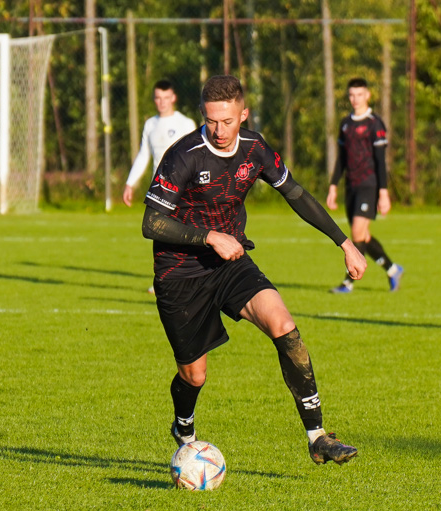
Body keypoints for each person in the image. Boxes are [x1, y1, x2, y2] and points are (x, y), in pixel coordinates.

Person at [142, 75, 366, 466]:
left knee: (284, 325)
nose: (219, 130)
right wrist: (209, 236)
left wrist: (344, 242)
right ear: (203, 115)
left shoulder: (255, 148)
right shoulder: (184, 155)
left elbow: (295, 193)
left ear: (243, 114)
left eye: (228, 121)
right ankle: (184, 426)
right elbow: (152, 223)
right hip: (179, 273)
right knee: (195, 376)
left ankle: (317, 436)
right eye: (212, 120)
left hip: (230, 264)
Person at [326, 77, 403, 294]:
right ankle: (392, 269)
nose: (355, 99)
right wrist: (333, 185)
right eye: (351, 95)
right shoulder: (346, 124)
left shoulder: (374, 123)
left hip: (369, 185)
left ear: (368, 95)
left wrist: (384, 193)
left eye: (359, 94)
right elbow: (341, 158)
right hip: (351, 187)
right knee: (363, 236)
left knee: (358, 233)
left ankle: (347, 282)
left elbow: (380, 161)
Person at [123, 80, 196, 207]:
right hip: (158, 190)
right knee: (156, 226)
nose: (162, 102)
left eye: (166, 98)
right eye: (158, 98)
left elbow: (195, 158)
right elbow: (143, 156)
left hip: (183, 191)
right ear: (154, 99)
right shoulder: (150, 124)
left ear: (173, 98)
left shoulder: (186, 124)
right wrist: (130, 183)